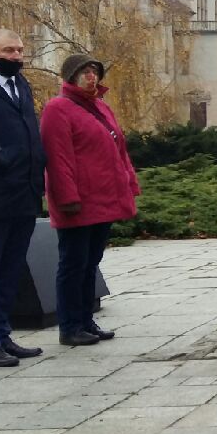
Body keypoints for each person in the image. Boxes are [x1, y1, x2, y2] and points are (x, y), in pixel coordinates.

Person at [40, 54, 139, 346]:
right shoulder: (58, 108)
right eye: (84, 72)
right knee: (73, 263)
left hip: (103, 198)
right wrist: (67, 197)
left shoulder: (99, 106)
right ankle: (69, 326)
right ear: (71, 76)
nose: (91, 77)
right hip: (77, 201)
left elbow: (119, 149)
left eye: (94, 71)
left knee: (90, 262)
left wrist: (129, 183)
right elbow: (58, 159)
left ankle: (85, 320)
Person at [0, 29, 47, 367]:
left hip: (23, 194)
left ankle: (2, 334)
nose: (17, 56)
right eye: (9, 51)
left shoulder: (21, 86)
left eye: (19, 50)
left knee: (10, 270)